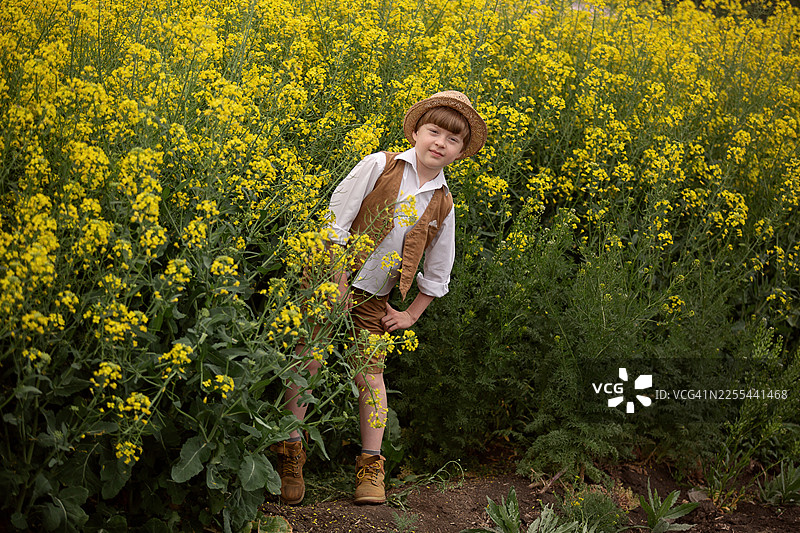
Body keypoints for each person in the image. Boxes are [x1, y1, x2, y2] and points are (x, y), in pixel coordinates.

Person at [270, 91, 487, 506]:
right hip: (329, 278)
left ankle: (371, 464)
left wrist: (411, 315)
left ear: (460, 152)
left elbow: (439, 270)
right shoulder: (380, 164)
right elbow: (337, 222)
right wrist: (335, 280)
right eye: (433, 132)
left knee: (370, 376)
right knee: (309, 360)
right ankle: (289, 451)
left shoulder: (444, 202)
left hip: (376, 298)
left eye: (451, 140)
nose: (439, 143)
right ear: (416, 133)